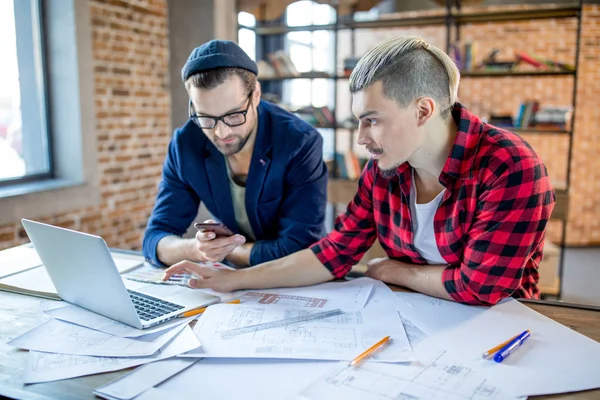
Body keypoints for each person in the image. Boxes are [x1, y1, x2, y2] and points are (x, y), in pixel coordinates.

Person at [162, 37, 556, 306]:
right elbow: (332, 254)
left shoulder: (510, 166)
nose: (361, 139)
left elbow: (481, 286)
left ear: (423, 111)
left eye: (372, 121)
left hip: (500, 328)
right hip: (411, 315)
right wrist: (232, 279)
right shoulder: (384, 171)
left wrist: (396, 270)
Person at [143, 40, 328, 268]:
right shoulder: (185, 144)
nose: (221, 132)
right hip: (232, 284)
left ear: (256, 94)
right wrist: (198, 249)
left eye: (233, 115)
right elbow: (154, 239)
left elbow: (301, 247)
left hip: (292, 278)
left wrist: (226, 252)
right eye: (206, 117)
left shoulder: (299, 142)